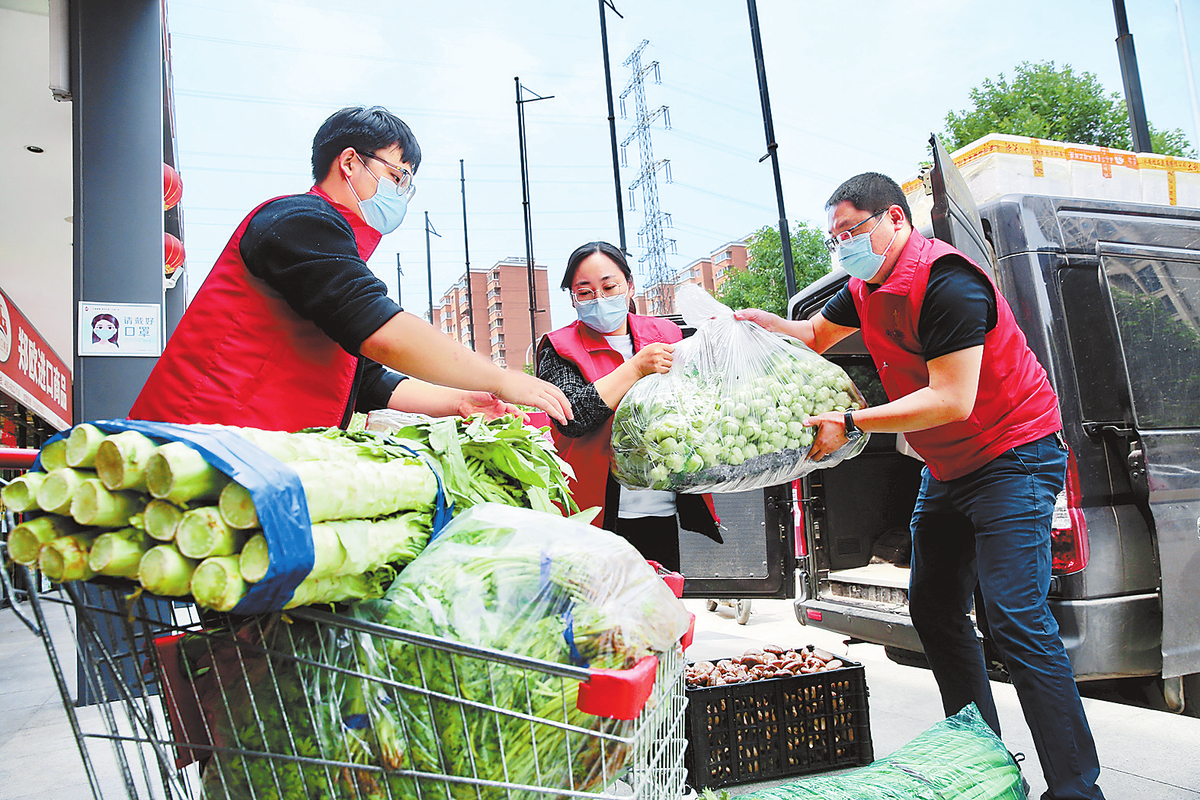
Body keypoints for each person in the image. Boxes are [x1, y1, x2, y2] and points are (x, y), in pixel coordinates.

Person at [737, 172, 1104, 800]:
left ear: (897, 221)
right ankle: (981, 762)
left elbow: (953, 399)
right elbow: (819, 338)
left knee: (1016, 619)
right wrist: (760, 326)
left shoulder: (947, 282)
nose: (843, 246)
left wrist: (850, 421)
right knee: (932, 608)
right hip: (950, 466)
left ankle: (1076, 789)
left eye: (852, 231)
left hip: (1012, 454)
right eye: (835, 238)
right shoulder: (864, 283)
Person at [130, 106, 571, 430]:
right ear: (349, 162)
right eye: (398, 176)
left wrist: (460, 401)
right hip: (205, 436)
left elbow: (367, 381)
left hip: (248, 445)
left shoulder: (332, 240)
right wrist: (500, 378)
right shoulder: (297, 221)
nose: (402, 192)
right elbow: (379, 329)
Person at [535, 241, 720, 571]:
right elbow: (572, 417)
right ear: (573, 298)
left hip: (659, 508)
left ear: (629, 286)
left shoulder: (664, 333)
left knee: (658, 608)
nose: (600, 299)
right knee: (600, 615)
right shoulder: (558, 347)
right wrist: (634, 368)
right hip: (593, 514)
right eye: (585, 292)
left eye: (609, 287)